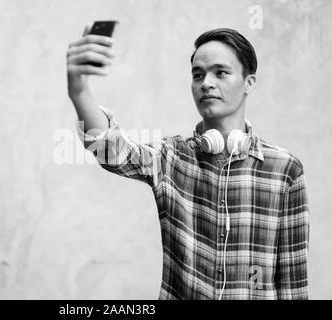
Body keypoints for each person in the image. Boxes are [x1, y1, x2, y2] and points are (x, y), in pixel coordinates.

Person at [66, 25, 309, 300]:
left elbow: (293, 285)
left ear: (249, 82)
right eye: (198, 75)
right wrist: (80, 91)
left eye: (220, 72)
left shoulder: (285, 170)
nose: (206, 82)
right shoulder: (172, 157)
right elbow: (111, 150)